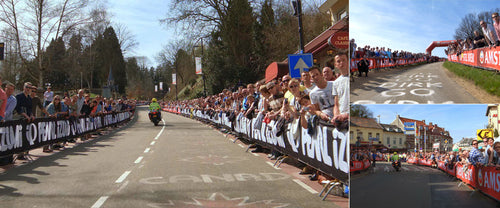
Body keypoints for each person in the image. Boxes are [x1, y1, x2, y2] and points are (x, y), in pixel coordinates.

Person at [331, 53, 349, 127]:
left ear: (348, 61)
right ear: (335, 65)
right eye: (338, 61)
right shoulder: (336, 82)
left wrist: (347, 115)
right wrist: (336, 116)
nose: (342, 63)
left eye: (344, 60)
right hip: (342, 120)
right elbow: (336, 104)